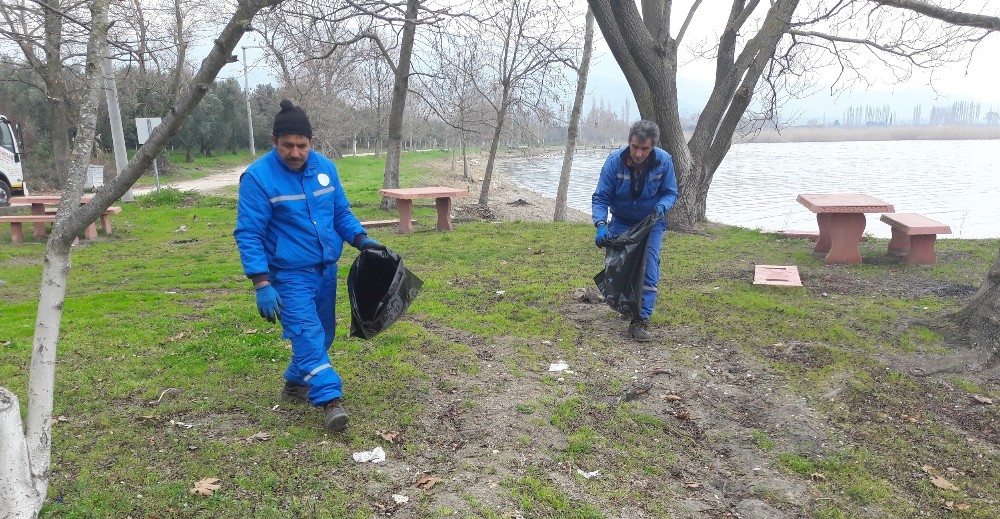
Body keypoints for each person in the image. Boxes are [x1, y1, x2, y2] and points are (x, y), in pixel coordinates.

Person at [234, 99, 385, 431]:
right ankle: (330, 399)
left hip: (325, 271)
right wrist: (261, 282)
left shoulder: (325, 169)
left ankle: (294, 382)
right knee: (307, 333)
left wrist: (362, 240)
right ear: (274, 142)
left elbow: (340, 213)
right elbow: (248, 233)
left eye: (301, 145)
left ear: (310, 144)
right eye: (287, 145)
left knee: (323, 336)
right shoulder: (258, 178)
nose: (295, 152)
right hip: (287, 276)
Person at [591, 120, 678, 342]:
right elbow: (601, 197)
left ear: (653, 147)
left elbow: (670, 193)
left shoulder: (664, 161)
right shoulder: (614, 162)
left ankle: (640, 319)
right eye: (634, 147)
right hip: (620, 221)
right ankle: (626, 304)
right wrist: (601, 225)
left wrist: (662, 207)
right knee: (619, 267)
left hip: (651, 223)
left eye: (644, 149)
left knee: (648, 268)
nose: (638, 154)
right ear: (629, 143)